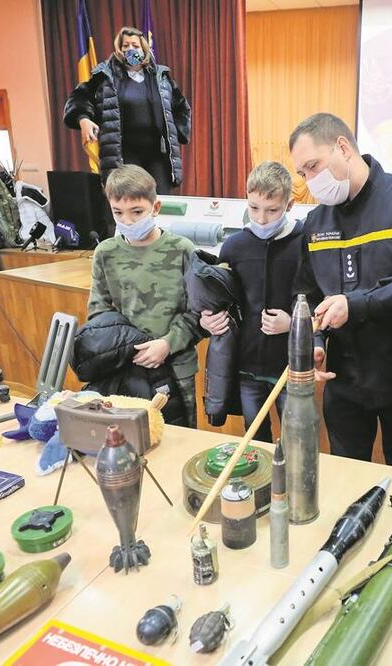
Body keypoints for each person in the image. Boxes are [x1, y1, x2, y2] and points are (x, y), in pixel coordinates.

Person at [290, 112, 392, 472]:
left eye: (313, 166)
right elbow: (306, 295)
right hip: (344, 382)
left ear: (343, 148)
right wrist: (314, 341)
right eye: (302, 174)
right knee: (347, 477)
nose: (310, 181)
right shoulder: (317, 222)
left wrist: (357, 304)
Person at [87, 165, 201, 425]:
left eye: (137, 212)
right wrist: (128, 348)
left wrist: (167, 343)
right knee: (131, 436)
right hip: (127, 367)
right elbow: (98, 314)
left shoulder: (182, 250)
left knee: (180, 438)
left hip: (177, 366)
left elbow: (198, 312)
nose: (127, 221)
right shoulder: (105, 253)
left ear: (155, 208)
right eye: (118, 212)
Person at [199, 162, 304, 442]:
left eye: (272, 210)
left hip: (289, 367)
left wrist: (294, 324)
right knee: (255, 438)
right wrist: (206, 318)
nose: (261, 219)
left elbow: (317, 299)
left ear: (289, 205)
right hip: (247, 364)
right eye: (254, 208)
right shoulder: (234, 246)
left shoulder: (304, 242)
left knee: (295, 439)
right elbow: (220, 299)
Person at [64, 26, 191, 194]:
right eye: (126, 46)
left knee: (161, 200)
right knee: (130, 199)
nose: (130, 49)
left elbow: (181, 105)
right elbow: (79, 97)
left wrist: (178, 132)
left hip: (157, 153)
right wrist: (83, 119)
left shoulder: (160, 76)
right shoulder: (106, 75)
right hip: (124, 153)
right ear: (119, 49)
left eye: (135, 45)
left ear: (143, 48)